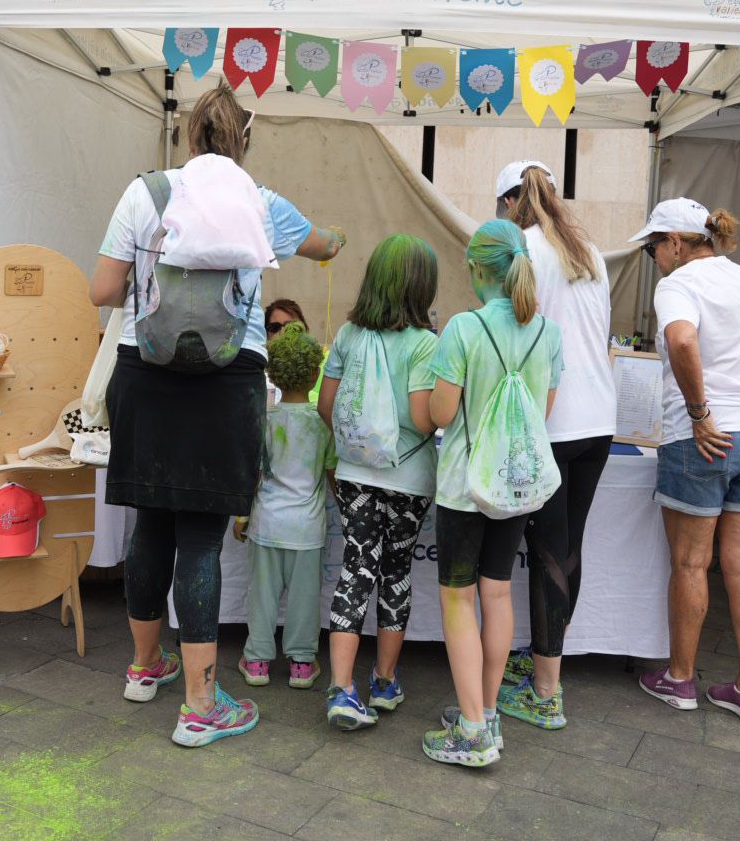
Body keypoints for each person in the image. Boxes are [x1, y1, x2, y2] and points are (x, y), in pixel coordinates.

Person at [89, 84, 345, 749]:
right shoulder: (261, 204)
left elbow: (102, 291)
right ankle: (201, 704)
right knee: (200, 538)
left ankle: (147, 667)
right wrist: (333, 236)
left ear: (186, 135)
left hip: (143, 373)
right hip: (227, 379)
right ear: (244, 139)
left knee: (151, 524)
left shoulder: (143, 193)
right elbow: (325, 246)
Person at [630, 199, 740, 726]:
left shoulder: (679, 284)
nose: (653, 256)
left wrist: (700, 413)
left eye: (653, 246)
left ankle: (680, 679)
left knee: (690, 562)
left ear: (677, 242)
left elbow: (681, 339)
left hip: (704, 437)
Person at [423, 220, 563, 768]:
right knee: (497, 593)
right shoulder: (548, 333)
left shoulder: (462, 329)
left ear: (480, 269)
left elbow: (440, 414)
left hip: (464, 486)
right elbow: (542, 413)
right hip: (517, 485)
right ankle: (483, 709)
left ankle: (474, 730)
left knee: (458, 600)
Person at [493, 161, 615, 730]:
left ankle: (545, 691)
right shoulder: (587, 249)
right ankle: (549, 669)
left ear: (509, 203)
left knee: (545, 552)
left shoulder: (520, 246)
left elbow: (514, 327)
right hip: (600, 419)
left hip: (553, 420)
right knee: (568, 548)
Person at [317, 233, 441, 731]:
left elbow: (327, 405)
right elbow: (421, 418)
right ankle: (385, 681)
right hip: (408, 478)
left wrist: (359, 440)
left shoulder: (349, 335)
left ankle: (342, 688)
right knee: (395, 570)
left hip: (353, 476)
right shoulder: (425, 343)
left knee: (355, 569)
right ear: (421, 287)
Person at [235, 323, 335, 692]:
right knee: (304, 600)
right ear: (314, 373)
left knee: (261, 596)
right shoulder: (323, 424)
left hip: (267, 524)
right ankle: (302, 664)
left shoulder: (264, 420)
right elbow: (333, 475)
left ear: (273, 373)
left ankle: (258, 660)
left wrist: (243, 515)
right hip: (307, 529)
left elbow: (254, 475)